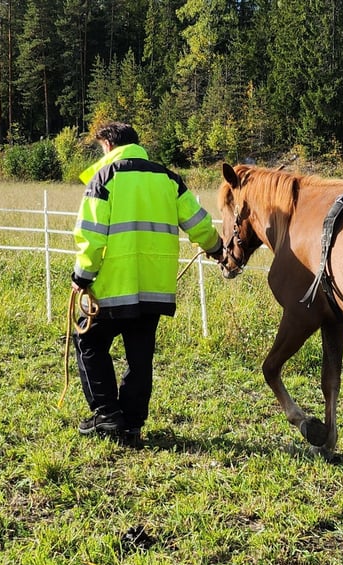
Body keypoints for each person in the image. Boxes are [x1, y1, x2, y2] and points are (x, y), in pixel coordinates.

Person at [70, 121, 223, 444]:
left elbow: (92, 235)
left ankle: (107, 415)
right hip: (154, 288)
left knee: (89, 344)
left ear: (109, 146)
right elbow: (197, 222)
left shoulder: (105, 177)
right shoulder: (167, 178)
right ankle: (132, 424)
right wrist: (216, 247)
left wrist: (82, 276)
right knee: (140, 356)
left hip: (112, 286)